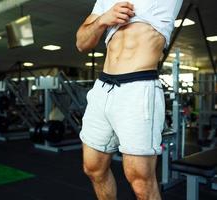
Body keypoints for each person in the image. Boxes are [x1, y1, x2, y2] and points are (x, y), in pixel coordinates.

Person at [76, 0, 183, 199]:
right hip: (102, 88)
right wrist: (103, 20)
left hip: (138, 87)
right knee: (93, 168)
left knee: (141, 181)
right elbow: (81, 43)